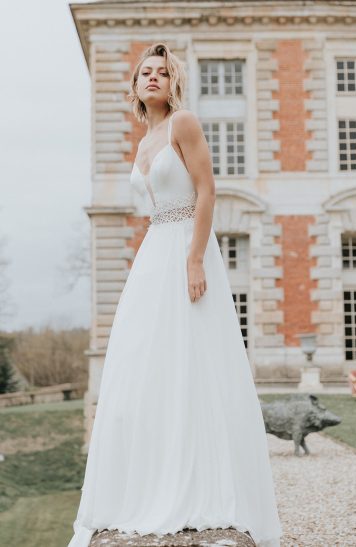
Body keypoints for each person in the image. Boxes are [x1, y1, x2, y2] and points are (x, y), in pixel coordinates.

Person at [68, 42, 283, 547]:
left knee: (195, 360)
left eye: (161, 72)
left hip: (187, 246)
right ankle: (147, 480)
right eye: (145, 72)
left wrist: (194, 258)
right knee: (145, 363)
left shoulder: (184, 123)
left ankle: (203, 484)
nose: (152, 79)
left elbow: (207, 190)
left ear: (173, 82)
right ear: (136, 85)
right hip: (152, 256)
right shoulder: (142, 140)